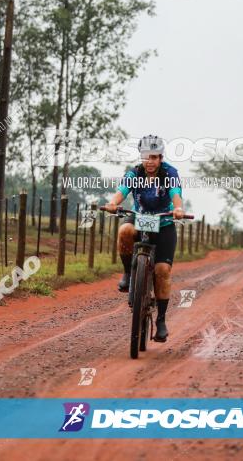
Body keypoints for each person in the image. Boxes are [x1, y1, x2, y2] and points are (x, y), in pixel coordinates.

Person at [103, 134, 185, 342]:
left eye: (155, 157)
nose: (150, 161)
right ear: (141, 157)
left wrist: (178, 208)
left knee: (162, 270)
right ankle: (128, 275)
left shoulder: (169, 173)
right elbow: (122, 191)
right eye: (146, 157)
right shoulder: (135, 173)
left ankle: (161, 321)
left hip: (164, 222)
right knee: (124, 231)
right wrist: (113, 203)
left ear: (160, 158)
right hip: (140, 216)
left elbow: (176, 193)